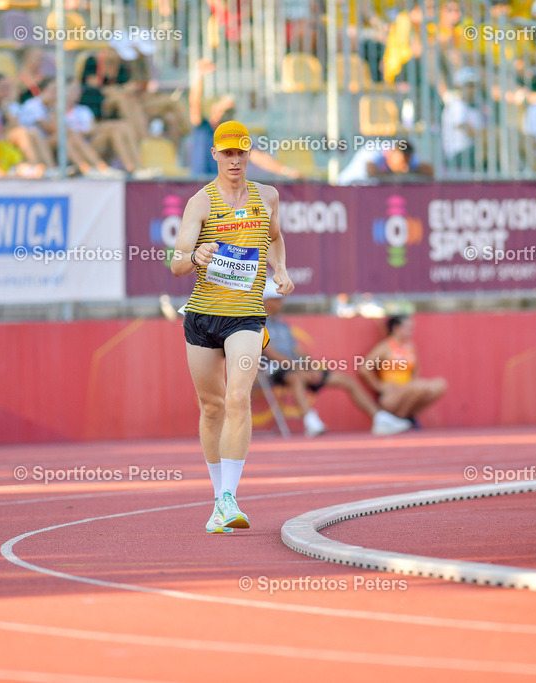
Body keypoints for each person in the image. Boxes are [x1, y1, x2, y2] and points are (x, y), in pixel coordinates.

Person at [170, 120, 294, 534]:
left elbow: (274, 237)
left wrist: (281, 269)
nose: (235, 160)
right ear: (215, 155)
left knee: (238, 396)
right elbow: (177, 264)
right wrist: (198, 255)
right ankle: (217, 497)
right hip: (203, 315)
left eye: (241, 152)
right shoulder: (200, 203)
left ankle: (229, 499)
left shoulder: (268, 196)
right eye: (228, 153)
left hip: (246, 314)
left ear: (249, 153)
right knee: (211, 407)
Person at [261, 282, 412, 437]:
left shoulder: (282, 324)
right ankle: (311, 423)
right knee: (295, 378)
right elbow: (272, 354)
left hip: (295, 367)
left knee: (346, 380)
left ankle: (380, 419)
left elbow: (297, 350)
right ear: (265, 301)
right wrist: (300, 369)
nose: (281, 303)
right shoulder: (259, 323)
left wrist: (312, 368)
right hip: (272, 370)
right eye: (276, 299)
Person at [358, 315, 446, 426]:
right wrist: (379, 386)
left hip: (409, 389)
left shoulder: (410, 346)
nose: (411, 332)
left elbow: (415, 369)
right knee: (417, 387)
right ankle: (400, 419)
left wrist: (414, 384)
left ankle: (407, 417)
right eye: (407, 328)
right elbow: (364, 368)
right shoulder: (385, 347)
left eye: (412, 328)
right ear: (396, 328)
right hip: (391, 395)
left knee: (439, 385)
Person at [337, 138, 433, 184]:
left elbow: (429, 170)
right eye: (403, 163)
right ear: (393, 153)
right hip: (345, 190)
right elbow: (371, 170)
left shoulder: (405, 158)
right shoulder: (373, 149)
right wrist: (395, 176)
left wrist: (410, 171)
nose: (405, 168)